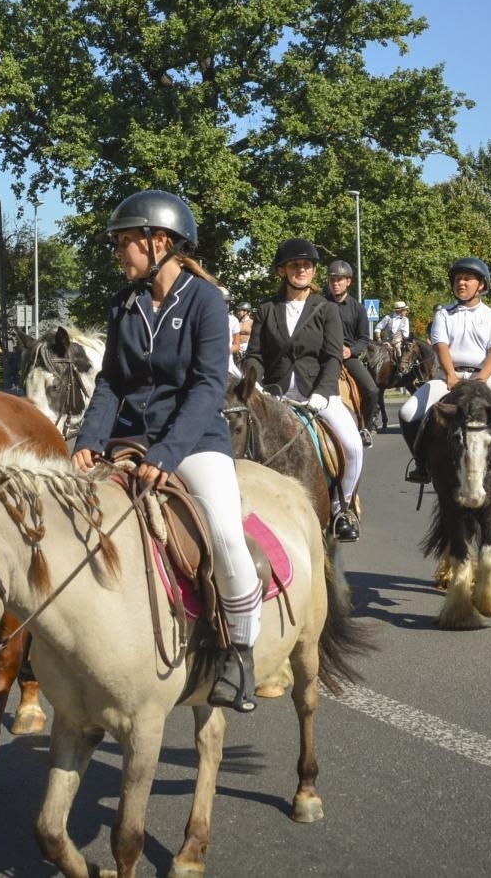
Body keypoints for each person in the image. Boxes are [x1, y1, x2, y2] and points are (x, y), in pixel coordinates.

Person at [72, 190, 263, 712]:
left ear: (160, 242)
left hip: (195, 441)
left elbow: (207, 387)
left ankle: (240, 654)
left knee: (224, 534)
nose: (118, 252)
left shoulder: (205, 301)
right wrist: (88, 441)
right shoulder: (124, 302)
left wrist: (168, 453)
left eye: (125, 242)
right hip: (128, 439)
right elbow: (111, 381)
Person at [243, 239, 365, 542]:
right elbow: (255, 354)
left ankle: (341, 508)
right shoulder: (266, 309)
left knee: (352, 446)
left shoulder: (325, 309)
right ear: (282, 271)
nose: (302, 270)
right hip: (275, 393)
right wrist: (255, 382)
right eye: (295, 265)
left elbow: (333, 355)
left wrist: (323, 392)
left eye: (307, 265)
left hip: (317, 393)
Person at [398, 257, 491, 490]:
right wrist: (450, 374)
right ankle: (422, 464)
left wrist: (482, 377)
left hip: (484, 378)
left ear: (481, 284)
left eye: (467, 279)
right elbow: (440, 345)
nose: (461, 283)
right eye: (457, 279)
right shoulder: (443, 314)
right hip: (448, 379)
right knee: (407, 413)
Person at [324, 259, 377, 449]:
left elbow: (364, 338)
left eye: (339, 279)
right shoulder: (319, 303)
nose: (335, 283)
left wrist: (351, 350)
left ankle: (366, 428)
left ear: (349, 282)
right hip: (322, 356)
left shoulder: (358, 308)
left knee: (372, 390)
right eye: (332, 279)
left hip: (347, 357)